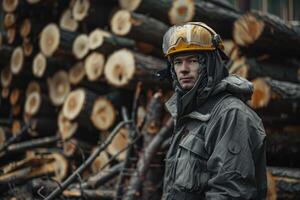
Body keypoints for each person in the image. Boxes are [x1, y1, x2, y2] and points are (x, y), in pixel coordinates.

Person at [160, 22, 267, 200]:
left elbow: (230, 193)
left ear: (210, 64)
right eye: (178, 62)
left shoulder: (230, 115)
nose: (183, 69)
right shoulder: (193, 114)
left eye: (192, 60)